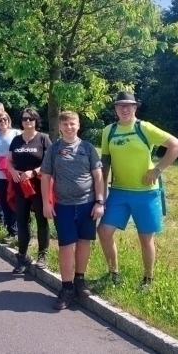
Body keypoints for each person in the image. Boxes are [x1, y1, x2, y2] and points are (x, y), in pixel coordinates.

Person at [97, 91, 178, 291]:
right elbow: (105, 166)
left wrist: (157, 170)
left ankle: (147, 280)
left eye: (129, 106)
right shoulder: (108, 131)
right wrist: (100, 197)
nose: (125, 109)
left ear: (135, 108)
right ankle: (113, 274)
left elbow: (176, 146)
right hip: (118, 192)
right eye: (120, 106)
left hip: (146, 193)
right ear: (116, 109)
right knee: (104, 231)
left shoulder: (143, 128)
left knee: (145, 237)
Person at [41, 110, 105, 311]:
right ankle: (66, 288)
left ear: (79, 125)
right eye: (65, 124)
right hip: (64, 205)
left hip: (87, 203)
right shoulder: (54, 149)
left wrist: (100, 202)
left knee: (84, 242)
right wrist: (46, 203)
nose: (69, 127)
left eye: (73, 124)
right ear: (60, 127)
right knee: (66, 246)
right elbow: (45, 177)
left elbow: (98, 176)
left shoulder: (87, 148)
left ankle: (79, 280)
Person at [8, 108, 52, 273]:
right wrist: (12, 171)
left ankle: (43, 255)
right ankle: (22, 257)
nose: (28, 122)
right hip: (21, 187)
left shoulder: (43, 139)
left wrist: (33, 172)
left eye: (31, 119)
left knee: (41, 220)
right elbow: (9, 161)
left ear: (36, 121)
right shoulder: (16, 140)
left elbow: (49, 162)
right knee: (22, 221)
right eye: (25, 119)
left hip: (39, 185)